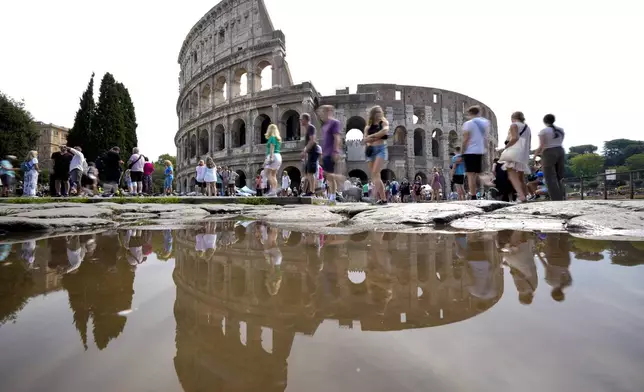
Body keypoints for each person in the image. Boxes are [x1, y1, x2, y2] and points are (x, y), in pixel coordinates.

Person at [498, 111, 531, 202]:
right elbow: (529, 144)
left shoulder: (514, 125)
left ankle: (521, 196)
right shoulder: (527, 128)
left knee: (511, 174)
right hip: (524, 152)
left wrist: (505, 147)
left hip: (514, 150)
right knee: (521, 177)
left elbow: (515, 138)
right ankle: (525, 195)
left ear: (513, 118)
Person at [462, 106, 491, 200]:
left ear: (470, 113)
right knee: (477, 173)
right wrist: (485, 149)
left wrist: (463, 150)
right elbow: (486, 138)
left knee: (470, 175)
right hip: (480, 151)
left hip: (470, 151)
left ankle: (473, 195)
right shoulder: (485, 123)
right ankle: (486, 181)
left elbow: (466, 139)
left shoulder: (468, 123)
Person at [535, 114, 566, 201]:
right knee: (559, 176)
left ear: (545, 121)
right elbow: (560, 141)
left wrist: (535, 155)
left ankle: (556, 199)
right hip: (560, 150)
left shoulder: (543, 131)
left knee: (549, 177)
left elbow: (541, 145)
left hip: (549, 152)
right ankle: (562, 196)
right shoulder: (561, 130)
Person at [363, 105, 389, 205]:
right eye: (377, 113)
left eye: (380, 112)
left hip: (380, 150)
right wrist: (378, 136)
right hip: (370, 151)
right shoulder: (368, 127)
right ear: (373, 114)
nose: (379, 115)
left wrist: (372, 137)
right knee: (376, 176)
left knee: (375, 172)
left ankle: (372, 196)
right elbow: (365, 139)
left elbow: (385, 131)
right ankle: (384, 199)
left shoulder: (384, 122)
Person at [318, 105, 342, 204]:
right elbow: (325, 141)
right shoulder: (324, 125)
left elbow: (337, 137)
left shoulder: (334, 123)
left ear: (328, 111)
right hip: (326, 153)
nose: (320, 114)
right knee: (327, 176)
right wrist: (322, 154)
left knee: (329, 176)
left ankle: (332, 197)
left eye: (321, 112)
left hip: (331, 152)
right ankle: (332, 196)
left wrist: (336, 151)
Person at [300, 113, 318, 196]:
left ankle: (312, 191)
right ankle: (310, 191)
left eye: (301, 119)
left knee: (310, 172)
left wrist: (305, 150)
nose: (300, 120)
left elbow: (312, 140)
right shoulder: (308, 129)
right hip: (310, 152)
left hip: (313, 151)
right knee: (308, 173)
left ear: (306, 120)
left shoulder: (311, 127)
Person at [264, 124, 282, 196]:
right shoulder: (277, 138)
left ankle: (274, 190)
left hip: (273, 155)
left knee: (267, 173)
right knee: (273, 175)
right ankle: (274, 191)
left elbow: (272, 147)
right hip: (278, 156)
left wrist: (270, 158)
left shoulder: (272, 137)